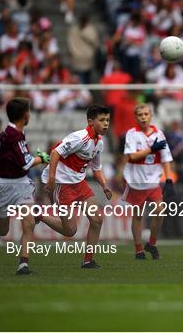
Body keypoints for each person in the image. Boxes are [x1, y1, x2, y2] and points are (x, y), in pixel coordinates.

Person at [0, 98, 50, 275]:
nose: (29, 114)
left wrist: (3, 161)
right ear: (25, 116)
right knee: (3, 229)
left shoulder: (5, 133)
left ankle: (23, 264)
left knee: (28, 223)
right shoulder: (15, 137)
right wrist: (42, 158)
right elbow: (26, 164)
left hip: (21, 185)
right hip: (4, 187)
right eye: (28, 112)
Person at [39, 105, 112, 269]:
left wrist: (105, 186)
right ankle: (40, 216)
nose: (106, 124)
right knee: (70, 230)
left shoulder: (99, 142)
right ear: (90, 122)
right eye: (102, 120)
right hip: (62, 184)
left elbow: (96, 168)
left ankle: (88, 261)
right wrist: (51, 179)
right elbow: (55, 153)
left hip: (79, 184)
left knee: (97, 219)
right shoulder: (80, 138)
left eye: (107, 120)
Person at [122, 104, 174, 260]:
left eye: (146, 114)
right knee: (138, 216)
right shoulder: (131, 134)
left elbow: (165, 158)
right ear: (135, 117)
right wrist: (152, 149)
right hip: (136, 182)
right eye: (139, 114)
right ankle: (138, 250)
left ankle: (151, 243)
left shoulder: (159, 134)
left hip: (153, 182)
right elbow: (132, 157)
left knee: (160, 211)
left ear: (151, 116)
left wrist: (169, 178)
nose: (143, 117)